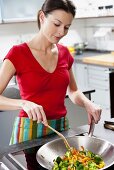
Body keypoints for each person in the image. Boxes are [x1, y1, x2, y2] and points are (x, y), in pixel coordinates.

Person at [0, 0, 102, 169]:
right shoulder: (17, 53)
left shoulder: (64, 53)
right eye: (57, 24)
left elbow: (74, 91)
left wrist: (87, 103)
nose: (61, 32)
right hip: (31, 132)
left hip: (61, 129)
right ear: (42, 17)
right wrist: (23, 103)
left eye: (67, 27)